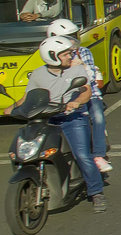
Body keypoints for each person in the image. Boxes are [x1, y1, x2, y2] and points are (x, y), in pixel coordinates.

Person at [4, 36, 106, 213]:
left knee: (82, 155)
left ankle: (96, 192)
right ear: (53, 56)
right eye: (66, 54)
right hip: (47, 119)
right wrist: (12, 108)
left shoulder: (76, 71)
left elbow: (86, 93)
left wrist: (76, 102)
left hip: (72, 118)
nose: (71, 56)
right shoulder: (38, 74)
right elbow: (28, 97)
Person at [47, 19, 112, 173]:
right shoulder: (49, 57)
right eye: (69, 38)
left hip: (88, 94)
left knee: (97, 116)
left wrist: (81, 65)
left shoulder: (83, 52)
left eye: (74, 36)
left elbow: (90, 78)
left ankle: (98, 155)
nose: (74, 41)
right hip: (62, 98)